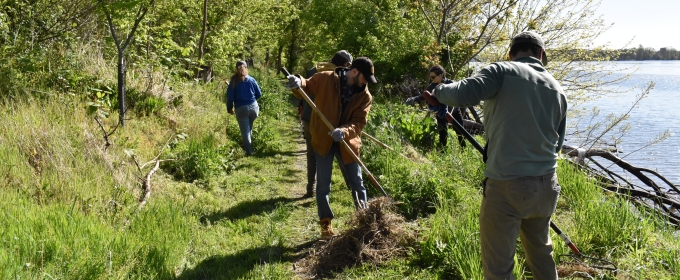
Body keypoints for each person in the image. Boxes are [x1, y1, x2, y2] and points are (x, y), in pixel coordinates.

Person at [430, 31, 567, 279]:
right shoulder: (558, 90)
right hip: (547, 186)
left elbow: (462, 94)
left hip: (507, 185)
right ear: (541, 55)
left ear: (511, 54)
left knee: (499, 268)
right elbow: (557, 146)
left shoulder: (502, 71)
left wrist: (438, 91)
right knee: (541, 253)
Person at [286, 57, 377, 239]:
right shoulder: (326, 78)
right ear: (354, 71)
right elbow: (307, 86)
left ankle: (365, 221)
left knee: (357, 184)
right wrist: (297, 82)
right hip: (323, 138)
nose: (366, 82)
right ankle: (326, 224)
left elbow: (359, 122)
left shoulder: (365, 96)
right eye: (364, 77)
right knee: (323, 185)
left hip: (347, 143)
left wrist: (344, 131)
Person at [300, 51, 353, 198]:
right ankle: (351, 186)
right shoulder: (337, 76)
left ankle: (310, 189)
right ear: (345, 64)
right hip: (327, 121)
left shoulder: (313, 70)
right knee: (342, 152)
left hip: (308, 119)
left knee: (312, 154)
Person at [405, 65, 466, 148]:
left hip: (454, 111)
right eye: (431, 77)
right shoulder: (433, 86)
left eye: (433, 77)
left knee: (460, 132)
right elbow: (424, 96)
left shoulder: (451, 83)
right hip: (441, 112)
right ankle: (442, 150)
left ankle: (463, 149)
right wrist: (413, 99)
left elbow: (459, 95)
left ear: (440, 75)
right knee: (443, 133)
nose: (432, 79)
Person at [226, 60, 262, 156]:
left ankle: (249, 153)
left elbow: (230, 98)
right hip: (254, 108)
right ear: (246, 68)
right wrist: (252, 101)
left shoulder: (233, 82)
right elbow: (259, 94)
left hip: (241, 109)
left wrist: (229, 108)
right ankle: (249, 147)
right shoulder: (251, 79)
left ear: (236, 69)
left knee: (245, 132)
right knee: (248, 128)